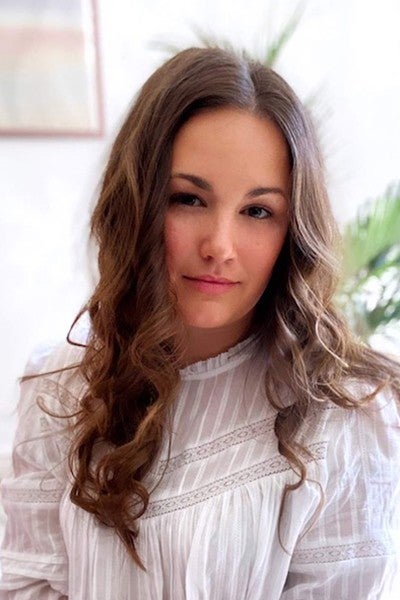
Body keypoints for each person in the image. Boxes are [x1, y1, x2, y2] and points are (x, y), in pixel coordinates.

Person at [0, 46, 399, 600]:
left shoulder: (344, 414)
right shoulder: (61, 387)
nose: (219, 246)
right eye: (188, 199)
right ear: (136, 206)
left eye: (257, 211)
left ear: (292, 230)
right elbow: (25, 585)